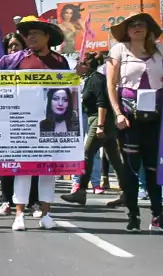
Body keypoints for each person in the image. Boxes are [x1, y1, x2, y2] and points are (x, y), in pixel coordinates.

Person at [0, 14, 69, 231]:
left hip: (51, 125)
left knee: (47, 171)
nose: (30, 38)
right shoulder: (17, 59)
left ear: (47, 36)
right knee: (22, 169)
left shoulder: (61, 62)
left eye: (35, 34)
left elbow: (69, 92)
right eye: (28, 34)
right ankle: (19, 214)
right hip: (22, 123)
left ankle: (46, 213)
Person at [107, 12, 163, 233]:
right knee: (131, 168)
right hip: (129, 117)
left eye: (141, 25)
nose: (137, 28)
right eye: (132, 25)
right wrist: (117, 113)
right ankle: (133, 214)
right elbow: (111, 84)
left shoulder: (162, 51)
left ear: (148, 29)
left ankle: (157, 215)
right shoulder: (118, 50)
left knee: (154, 168)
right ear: (126, 30)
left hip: (156, 117)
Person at [61, 52, 125, 209]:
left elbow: (101, 103)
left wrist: (101, 125)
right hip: (98, 120)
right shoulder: (88, 79)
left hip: (100, 120)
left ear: (87, 65)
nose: (77, 65)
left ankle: (81, 191)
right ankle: (127, 191)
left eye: (80, 63)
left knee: (87, 154)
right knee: (115, 159)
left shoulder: (96, 79)